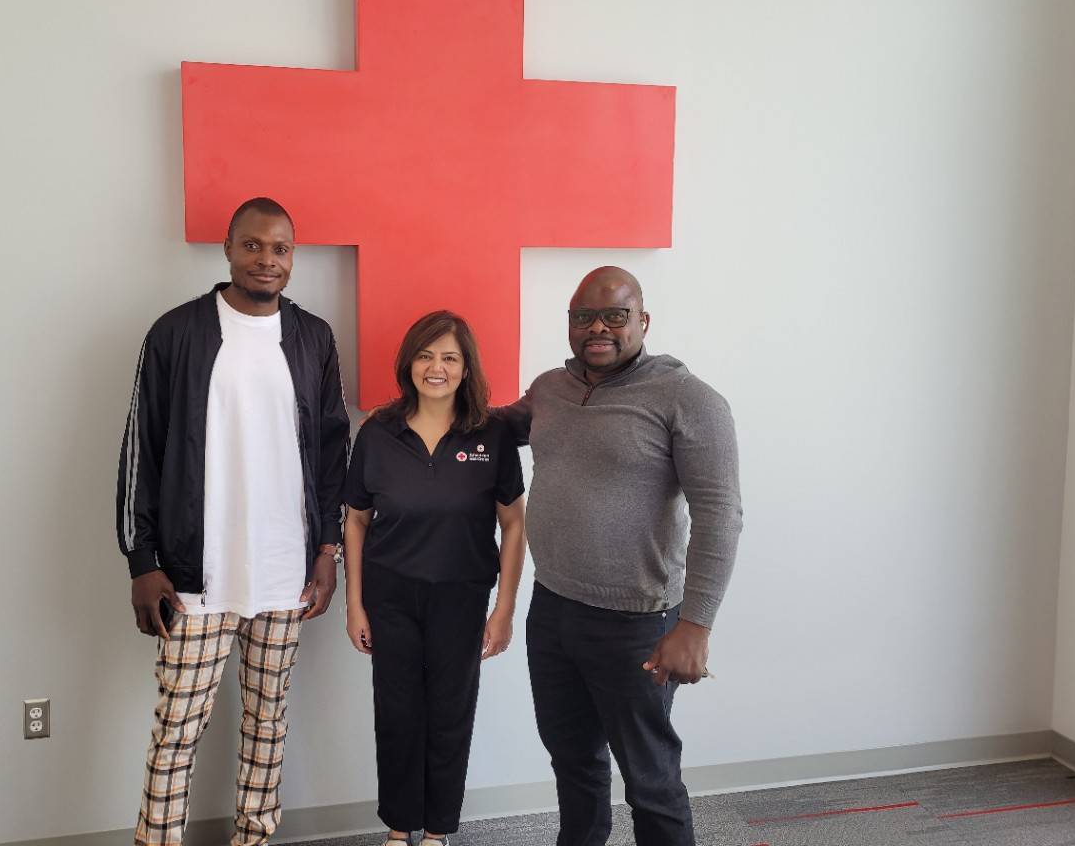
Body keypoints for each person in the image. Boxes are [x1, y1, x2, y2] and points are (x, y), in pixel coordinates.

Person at [115, 197, 350, 846]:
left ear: (292, 258)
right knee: (177, 731)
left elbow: (334, 450)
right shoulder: (176, 333)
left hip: (285, 573)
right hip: (196, 573)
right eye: (252, 245)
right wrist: (143, 561)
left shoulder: (313, 338)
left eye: (280, 249)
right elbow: (143, 446)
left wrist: (328, 552)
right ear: (227, 248)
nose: (266, 260)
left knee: (266, 724)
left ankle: (255, 838)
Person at [500, 266, 743, 846]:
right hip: (553, 609)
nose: (598, 328)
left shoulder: (689, 399)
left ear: (643, 321)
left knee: (649, 781)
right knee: (574, 763)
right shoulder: (549, 389)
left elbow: (721, 516)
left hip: (636, 621)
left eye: (615, 315)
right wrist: (419, 403)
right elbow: (493, 428)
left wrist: (696, 625)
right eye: (584, 317)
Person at [342, 311, 527, 846]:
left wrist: (504, 609)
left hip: (461, 595)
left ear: (466, 367)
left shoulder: (492, 433)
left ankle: (438, 832)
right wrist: (354, 604)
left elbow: (514, 523)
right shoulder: (378, 431)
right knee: (397, 714)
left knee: (450, 713)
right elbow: (356, 520)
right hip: (390, 594)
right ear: (409, 364)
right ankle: (400, 830)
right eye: (425, 355)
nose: (436, 367)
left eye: (449, 357)